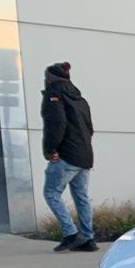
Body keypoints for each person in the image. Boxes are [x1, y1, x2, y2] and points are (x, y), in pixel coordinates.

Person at [41, 61, 97, 252]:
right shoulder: (81, 100)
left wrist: (50, 149)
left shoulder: (54, 95)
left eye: (46, 76)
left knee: (51, 193)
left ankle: (70, 234)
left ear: (51, 78)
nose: (45, 80)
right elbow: (90, 129)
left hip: (66, 156)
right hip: (85, 155)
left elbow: (56, 124)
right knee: (81, 196)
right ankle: (88, 239)